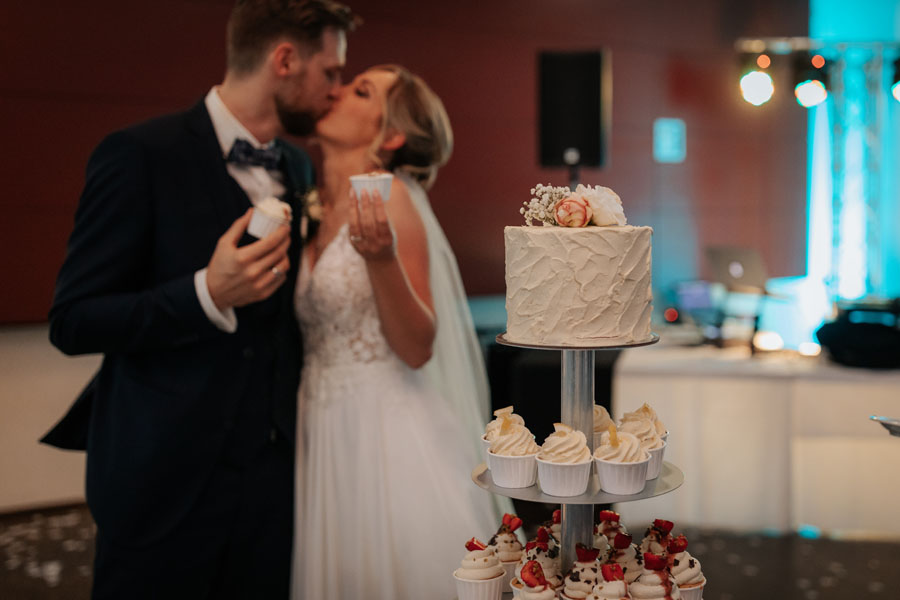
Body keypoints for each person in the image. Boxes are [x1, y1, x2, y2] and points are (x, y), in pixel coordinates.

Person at [43, 1, 359, 598]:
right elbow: (73, 320)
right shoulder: (139, 154)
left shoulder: (296, 165)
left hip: (274, 481)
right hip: (162, 477)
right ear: (284, 60)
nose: (335, 91)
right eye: (331, 72)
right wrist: (204, 294)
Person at [292, 64, 508, 600]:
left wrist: (381, 260)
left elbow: (417, 347)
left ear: (390, 136)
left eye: (361, 91)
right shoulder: (311, 205)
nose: (337, 90)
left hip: (385, 436)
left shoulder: (389, 196)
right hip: (320, 425)